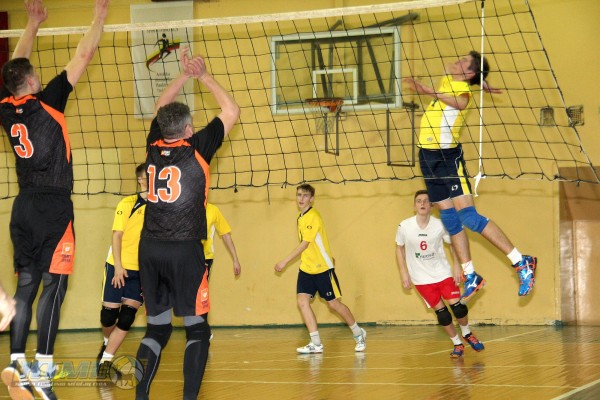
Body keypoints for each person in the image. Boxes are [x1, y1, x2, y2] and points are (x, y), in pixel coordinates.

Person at [0, 1, 109, 399]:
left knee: (27, 287)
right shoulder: (49, 102)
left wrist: (31, 23)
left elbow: (14, 66)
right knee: (55, 287)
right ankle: (44, 372)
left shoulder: (5, 108)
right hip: (54, 208)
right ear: (32, 81)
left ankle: (16, 362)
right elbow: (85, 54)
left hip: (23, 207)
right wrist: (99, 18)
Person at [134, 47, 240, 400]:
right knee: (197, 330)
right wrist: (202, 75)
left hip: (149, 249)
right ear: (189, 129)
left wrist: (181, 76)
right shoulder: (198, 147)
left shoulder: (152, 145)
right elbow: (231, 110)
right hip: (184, 250)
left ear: (162, 127)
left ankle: (140, 396)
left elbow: (161, 106)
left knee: (157, 329)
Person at [403, 50, 537, 303]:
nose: (458, 60)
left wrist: (427, 90)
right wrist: (481, 82)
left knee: (468, 216)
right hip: (427, 158)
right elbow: (454, 71)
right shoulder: (450, 81)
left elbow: (462, 102)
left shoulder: (462, 90)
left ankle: (521, 261)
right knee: (449, 219)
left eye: (464, 61)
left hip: (447, 157)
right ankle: (471, 274)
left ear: (470, 73)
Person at [274, 184, 367, 354]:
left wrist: (284, 261)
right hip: (306, 268)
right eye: (299, 195)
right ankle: (316, 343)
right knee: (302, 302)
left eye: (305, 195)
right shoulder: (300, 217)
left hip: (322, 268)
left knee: (333, 304)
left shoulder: (313, 216)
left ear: (312, 199)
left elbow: (305, 244)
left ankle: (358, 334)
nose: (301, 198)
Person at [396, 190, 484, 357]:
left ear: (432, 206)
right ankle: (457, 343)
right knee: (443, 315)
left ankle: (467, 333)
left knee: (458, 309)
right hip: (421, 278)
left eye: (426, 201)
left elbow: (454, 244)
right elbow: (399, 248)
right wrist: (404, 273)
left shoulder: (440, 225)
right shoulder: (404, 226)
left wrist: (457, 266)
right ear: (414, 206)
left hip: (442, 273)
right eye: (418, 201)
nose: (422, 203)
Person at [96, 164, 147, 377]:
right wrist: (118, 266)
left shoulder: (161, 207)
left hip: (142, 271)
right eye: (149, 175)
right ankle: (106, 344)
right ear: (140, 180)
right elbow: (116, 235)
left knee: (126, 318)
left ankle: (105, 362)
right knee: (108, 317)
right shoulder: (128, 203)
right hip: (118, 266)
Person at [203, 202, 242, 279]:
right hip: (188, 256)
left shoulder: (213, 210)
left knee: (201, 286)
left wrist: (235, 260)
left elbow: (225, 235)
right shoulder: (185, 207)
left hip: (205, 257)